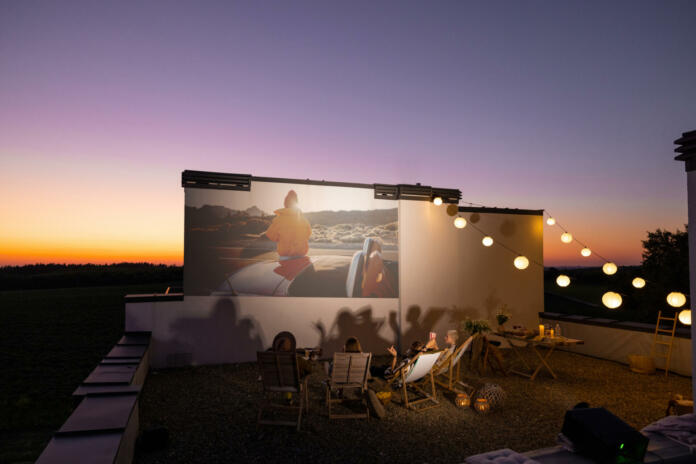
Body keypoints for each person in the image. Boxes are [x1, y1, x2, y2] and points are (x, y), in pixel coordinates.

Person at [264, 190, 312, 260]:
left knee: (285, 270)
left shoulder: (278, 220)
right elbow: (308, 234)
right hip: (301, 256)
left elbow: (271, 235)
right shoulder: (303, 220)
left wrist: (282, 238)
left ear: (285, 204)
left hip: (285, 256)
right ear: (296, 203)